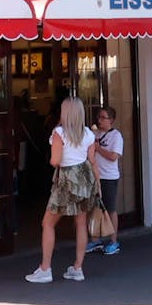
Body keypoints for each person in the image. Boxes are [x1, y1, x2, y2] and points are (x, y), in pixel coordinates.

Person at [26, 97, 99, 284]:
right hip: (84, 179)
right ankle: (78, 267)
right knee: (81, 223)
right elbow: (92, 160)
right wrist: (97, 184)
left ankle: (45, 269)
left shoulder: (59, 132)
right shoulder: (89, 134)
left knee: (48, 223)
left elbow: (55, 161)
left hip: (66, 179)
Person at [87, 106, 126, 256]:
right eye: (99, 117)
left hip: (109, 177)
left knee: (110, 209)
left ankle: (113, 241)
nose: (100, 120)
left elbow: (113, 156)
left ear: (111, 120)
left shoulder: (116, 136)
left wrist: (98, 148)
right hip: (95, 175)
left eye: (103, 117)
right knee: (94, 209)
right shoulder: (94, 133)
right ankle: (95, 239)